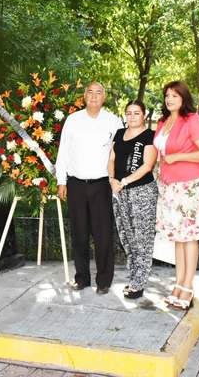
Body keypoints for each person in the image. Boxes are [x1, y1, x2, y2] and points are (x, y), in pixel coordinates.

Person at [56, 81, 122, 294]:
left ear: (104, 97)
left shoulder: (113, 121)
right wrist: (61, 181)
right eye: (90, 92)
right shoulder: (73, 120)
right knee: (79, 234)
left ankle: (104, 281)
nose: (94, 96)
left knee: (103, 235)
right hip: (75, 184)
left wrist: (117, 181)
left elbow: (119, 154)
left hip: (102, 185)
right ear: (84, 96)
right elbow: (63, 152)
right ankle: (81, 278)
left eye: (99, 92)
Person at [153, 81, 199, 310]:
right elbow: (159, 154)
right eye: (167, 95)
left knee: (190, 237)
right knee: (178, 238)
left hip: (189, 185)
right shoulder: (163, 121)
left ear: (183, 98)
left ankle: (188, 287)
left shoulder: (192, 120)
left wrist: (178, 157)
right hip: (168, 187)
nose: (170, 99)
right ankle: (178, 284)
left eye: (175, 96)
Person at [108, 100, 157, 299]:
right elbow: (111, 159)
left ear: (144, 115)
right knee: (127, 237)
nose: (132, 116)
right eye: (129, 113)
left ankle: (139, 282)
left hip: (142, 191)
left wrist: (124, 181)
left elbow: (147, 165)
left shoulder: (149, 136)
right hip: (120, 191)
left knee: (142, 238)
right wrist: (112, 179)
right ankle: (133, 276)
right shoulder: (119, 134)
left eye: (136, 113)